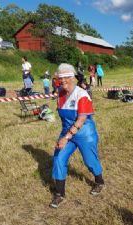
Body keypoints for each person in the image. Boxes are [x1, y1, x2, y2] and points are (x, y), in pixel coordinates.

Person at [50, 63, 105, 208]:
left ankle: (99, 182)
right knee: (58, 157)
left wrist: (66, 137)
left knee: (89, 160)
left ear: (73, 77)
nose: (63, 81)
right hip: (67, 131)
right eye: (60, 78)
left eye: (66, 77)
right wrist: (66, 136)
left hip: (84, 133)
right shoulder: (60, 94)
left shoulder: (82, 95)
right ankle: (60, 194)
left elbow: (81, 120)